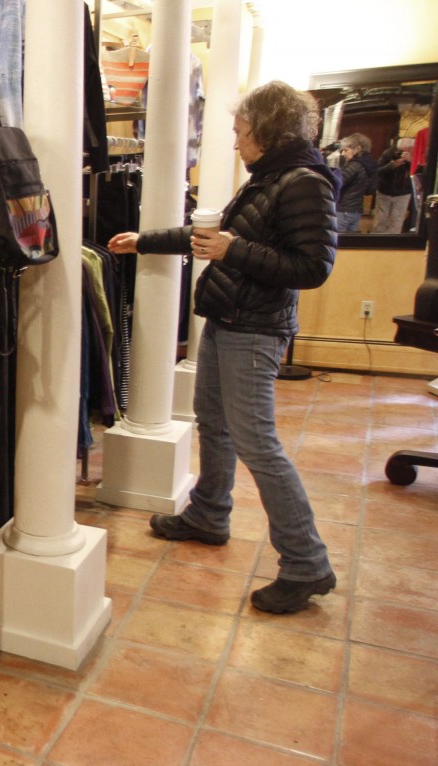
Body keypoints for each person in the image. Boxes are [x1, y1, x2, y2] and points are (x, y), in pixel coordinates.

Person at [107, 80, 338, 614]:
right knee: (213, 420)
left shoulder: (303, 182)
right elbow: (211, 237)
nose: (236, 143)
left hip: (255, 328)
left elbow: (313, 268)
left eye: (239, 131)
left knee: (258, 443)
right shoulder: (269, 179)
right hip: (230, 319)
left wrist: (237, 252)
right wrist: (144, 240)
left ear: (266, 129)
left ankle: (306, 563)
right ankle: (209, 514)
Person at [336, 132, 377, 232]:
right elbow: (370, 189)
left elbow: (337, 181)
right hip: (356, 209)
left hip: (345, 209)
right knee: (350, 242)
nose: (343, 154)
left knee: (338, 241)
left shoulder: (354, 165)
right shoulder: (368, 164)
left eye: (346, 150)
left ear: (357, 149)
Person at [373, 146, 414, 232]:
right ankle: (377, 242)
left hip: (403, 193)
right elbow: (378, 171)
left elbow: (418, 172)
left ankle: (391, 243)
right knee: (380, 220)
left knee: (396, 221)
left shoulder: (415, 155)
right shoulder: (388, 153)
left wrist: (411, 161)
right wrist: (392, 165)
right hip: (384, 191)